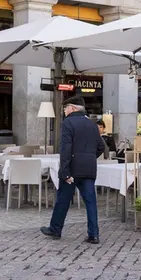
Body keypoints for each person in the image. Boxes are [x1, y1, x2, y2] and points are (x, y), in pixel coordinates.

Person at [41, 96, 104, 243]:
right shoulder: (92, 125)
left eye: (65, 107)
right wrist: (89, 157)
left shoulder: (68, 123)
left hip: (72, 169)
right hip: (88, 168)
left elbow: (65, 149)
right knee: (90, 202)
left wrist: (64, 171)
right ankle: (93, 234)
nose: (64, 110)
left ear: (73, 108)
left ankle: (55, 229)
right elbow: (101, 147)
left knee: (63, 200)